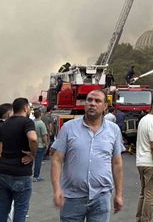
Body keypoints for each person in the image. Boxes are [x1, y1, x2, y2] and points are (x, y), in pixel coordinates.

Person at [51, 89, 124, 222]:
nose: (92, 103)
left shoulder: (114, 130)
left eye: (97, 101)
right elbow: (57, 159)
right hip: (72, 198)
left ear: (105, 107)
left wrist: (118, 194)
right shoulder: (68, 128)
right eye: (89, 100)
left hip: (101, 197)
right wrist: (57, 189)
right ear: (85, 104)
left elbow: (117, 163)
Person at [0, 97, 37, 222]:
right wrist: (32, 154)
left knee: (2, 206)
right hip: (21, 172)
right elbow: (33, 138)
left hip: (2, 171)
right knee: (20, 209)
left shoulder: (4, 123)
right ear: (25, 108)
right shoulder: (27, 122)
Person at [33, 109, 49, 182]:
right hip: (40, 145)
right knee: (38, 161)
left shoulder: (32, 122)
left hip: (33, 144)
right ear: (40, 115)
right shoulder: (41, 123)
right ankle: (36, 176)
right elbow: (44, 135)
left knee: (33, 161)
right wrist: (46, 144)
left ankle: (33, 175)